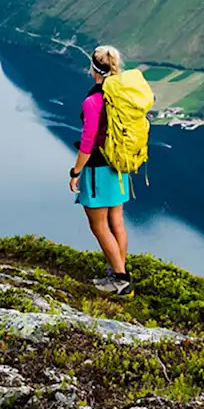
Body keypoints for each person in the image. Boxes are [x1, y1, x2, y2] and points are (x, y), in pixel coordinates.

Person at [69, 45, 133, 296]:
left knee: (98, 224)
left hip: (97, 168)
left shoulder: (93, 100)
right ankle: (118, 269)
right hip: (119, 165)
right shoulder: (122, 95)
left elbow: (88, 141)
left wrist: (76, 172)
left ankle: (120, 278)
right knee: (116, 220)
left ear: (93, 69)